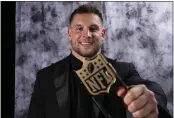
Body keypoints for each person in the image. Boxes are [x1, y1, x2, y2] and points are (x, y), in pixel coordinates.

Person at [27, 4, 172, 118]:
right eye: (79, 29)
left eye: (93, 28)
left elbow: (150, 88)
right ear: (69, 34)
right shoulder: (46, 76)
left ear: (102, 34)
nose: (87, 34)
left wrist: (151, 101)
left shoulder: (123, 70)